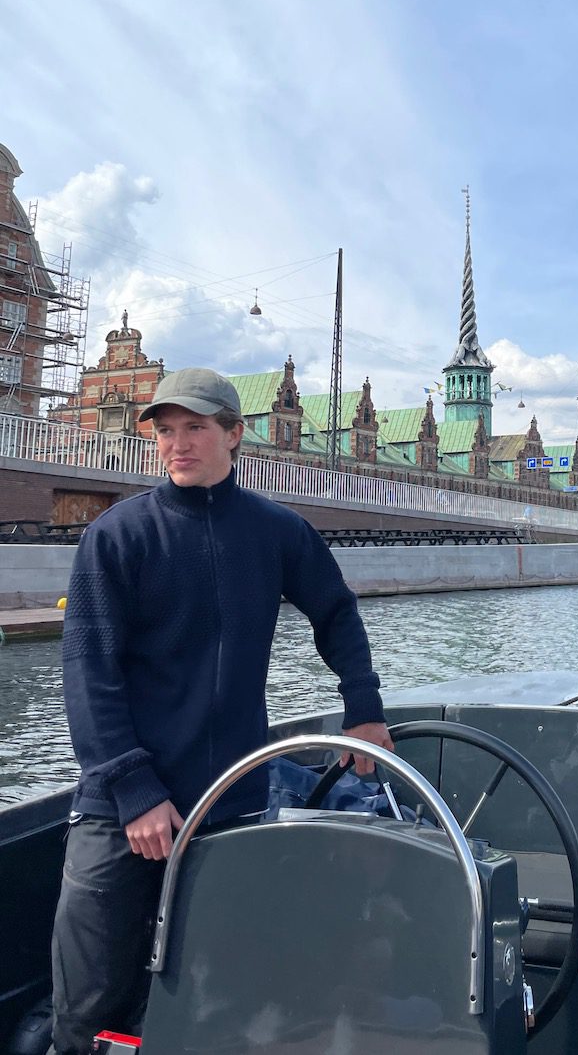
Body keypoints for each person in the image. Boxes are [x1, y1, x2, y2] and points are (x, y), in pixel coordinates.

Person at [48, 367, 393, 1055]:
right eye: (167, 431)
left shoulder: (276, 531)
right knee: (90, 1007)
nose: (178, 444)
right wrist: (133, 788)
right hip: (120, 810)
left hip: (228, 803)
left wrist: (363, 706)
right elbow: (89, 672)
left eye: (196, 428)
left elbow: (335, 611)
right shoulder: (116, 537)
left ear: (235, 435)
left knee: (218, 991)